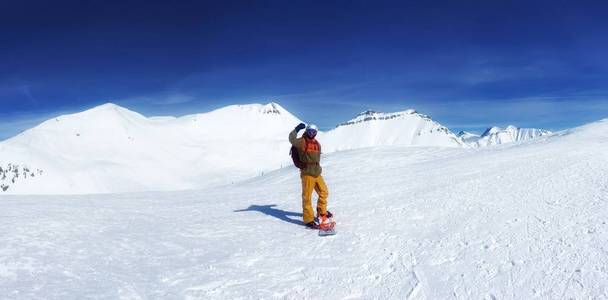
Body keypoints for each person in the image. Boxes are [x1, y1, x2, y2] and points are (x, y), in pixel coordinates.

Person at [289, 123, 332, 228]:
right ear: (306, 131)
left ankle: (321, 212)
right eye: (309, 131)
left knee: (324, 192)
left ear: (316, 133)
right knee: (307, 197)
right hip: (307, 173)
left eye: (313, 132)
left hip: (317, 173)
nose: (311, 133)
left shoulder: (317, 143)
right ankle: (308, 219)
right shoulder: (302, 141)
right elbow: (292, 139)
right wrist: (297, 129)